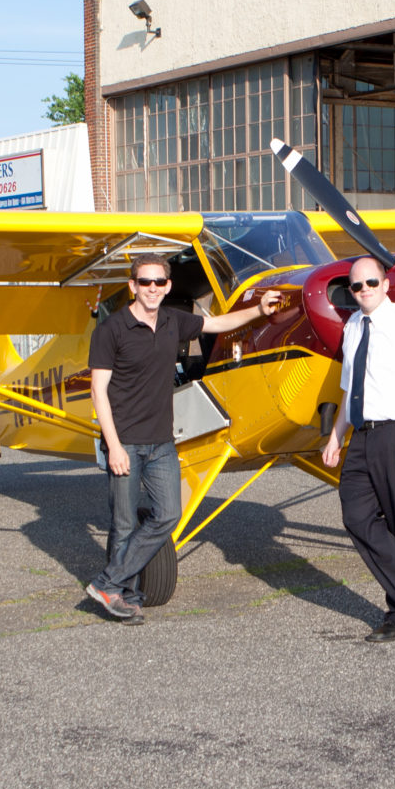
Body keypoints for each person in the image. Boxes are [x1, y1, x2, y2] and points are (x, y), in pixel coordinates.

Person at [84, 259, 283, 623]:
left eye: (160, 281)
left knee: (168, 515)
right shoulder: (111, 330)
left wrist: (257, 309)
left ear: (168, 286)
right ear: (133, 286)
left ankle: (108, 583)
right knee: (124, 524)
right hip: (125, 441)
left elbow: (217, 323)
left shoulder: (174, 322)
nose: (153, 287)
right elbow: (99, 391)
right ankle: (122, 595)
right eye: (145, 281)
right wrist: (112, 446)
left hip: (162, 442)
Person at [320, 254, 395, 643]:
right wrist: (336, 436)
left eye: (371, 283)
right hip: (363, 436)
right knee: (356, 515)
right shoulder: (354, 326)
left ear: (386, 284)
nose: (364, 291)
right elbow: (348, 389)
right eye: (356, 286)